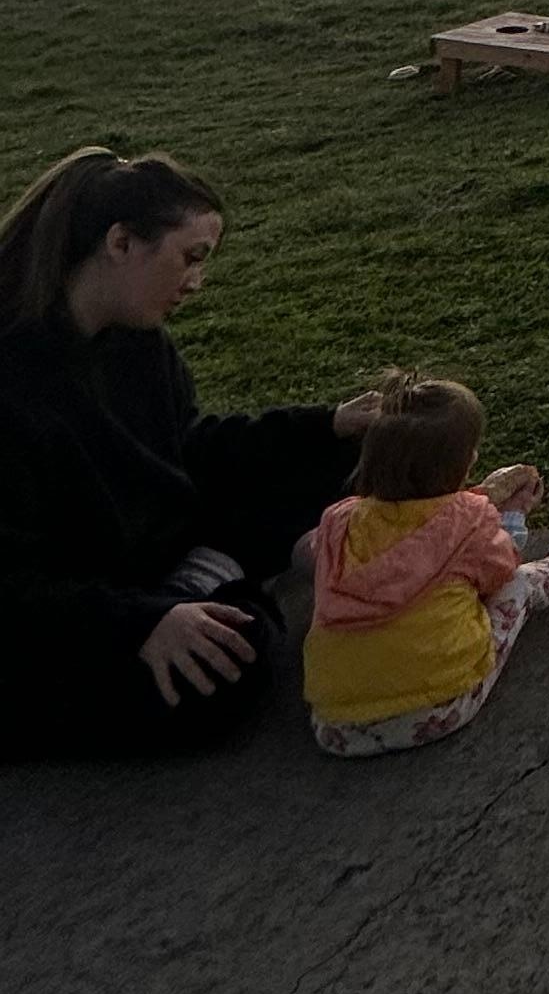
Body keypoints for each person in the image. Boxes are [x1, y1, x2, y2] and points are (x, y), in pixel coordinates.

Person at [0, 146, 387, 762]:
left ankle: (212, 581)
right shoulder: (15, 380)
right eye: (191, 257)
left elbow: (188, 448)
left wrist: (328, 425)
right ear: (121, 242)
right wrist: (142, 623)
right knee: (225, 675)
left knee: (345, 464)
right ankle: (220, 584)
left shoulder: (138, 343)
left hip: (148, 551)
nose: (196, 282)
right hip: (64, 617)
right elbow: (14, 583)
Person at [303, 375, 549, 759]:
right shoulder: (471, 521)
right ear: (465, 463)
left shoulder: (338, 522)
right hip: (435, 710)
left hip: (335, 727)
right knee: (517, 585)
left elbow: (413, 529)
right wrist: (512, 515)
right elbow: (501, 569)